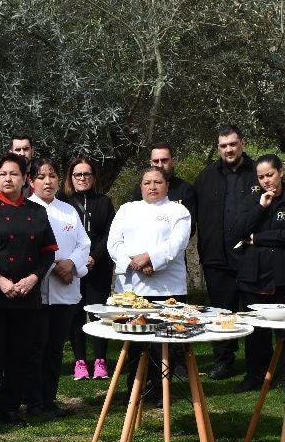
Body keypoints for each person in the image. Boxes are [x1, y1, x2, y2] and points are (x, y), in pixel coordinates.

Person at [0, 153, 56, 429]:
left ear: (25, 180)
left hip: (27, 294)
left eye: (13, 174)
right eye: (2, 174)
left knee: (20, 354)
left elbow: (47, 254)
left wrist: (33, 279)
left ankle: (10, 407)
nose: (7, 179)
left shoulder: (37, 211)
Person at [108, 166, 192, 399]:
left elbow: (177, 244)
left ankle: (159, 391)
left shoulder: (179, 211)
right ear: (141, 186)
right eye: (147, 182)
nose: (152, 187)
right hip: (132, 288)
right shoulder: (127, 209)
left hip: (167, 288)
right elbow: (114, 243)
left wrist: (151, 259)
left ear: (167, 186)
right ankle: (133, 389)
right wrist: (137, 262)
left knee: (163, 344)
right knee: (134, 342)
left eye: (157, 182)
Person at [231, 154, 285, 391]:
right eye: (261, 177)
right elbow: (238, 230)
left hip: (284, 277)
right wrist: (260, 207)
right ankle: (255, 376)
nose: (266, 181)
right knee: (256, 331)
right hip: (254, 276)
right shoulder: (251, 201)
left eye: (270, 175)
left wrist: (256, 238)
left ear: (280, 173)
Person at [194, 125, 263, 380]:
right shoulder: (206, 177)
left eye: (232, 144)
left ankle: (257, 365)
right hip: (216, 257)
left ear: (242, 143)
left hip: (251, 256)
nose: (228, 149)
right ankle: (223, 361)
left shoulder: (258, 173)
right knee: (221, 312)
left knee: (254, 311)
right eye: (223, 146)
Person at [29, 159, 90, 417]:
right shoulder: (27, 209)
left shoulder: (69, 210)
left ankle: (49, 399)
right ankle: (33, 401)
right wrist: (55, 266)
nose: (48, 181)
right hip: (37, 292)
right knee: (36, 347)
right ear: (31, 181)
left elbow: (83, 244)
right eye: (41, 176)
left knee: (55, 348)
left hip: (65, 292)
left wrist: (71, 264)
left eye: (52, 175)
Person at [62, 156, 116, 380]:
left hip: (98, 266)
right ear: (71, 178)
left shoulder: (104, 202)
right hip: (73, 268)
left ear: (93, 177)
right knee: (75, 315)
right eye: (78, 175)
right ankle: (80, 361)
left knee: (98, 313)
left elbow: (109, 233)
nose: (82, 178)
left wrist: (94, 256)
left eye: (87, 174)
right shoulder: (63, 203)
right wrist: (76, 260)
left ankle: (101, 361)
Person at [132, 142, 198, 230]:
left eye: (164, 160)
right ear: (151, 163)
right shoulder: (141, 189)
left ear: (173, 161)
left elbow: (190, 226)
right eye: (156, 161)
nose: (160, 165)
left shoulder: (185, 189)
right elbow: (132, 220)